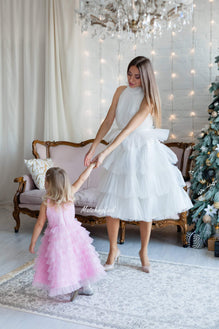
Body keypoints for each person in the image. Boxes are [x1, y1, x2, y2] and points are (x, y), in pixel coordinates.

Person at [84, 56, 193, 273]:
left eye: (137, 76)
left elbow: (128, 130)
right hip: (122, 150)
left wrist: (105, 152)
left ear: (145, 78)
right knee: (112, 202)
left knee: (146, 202)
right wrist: (93, 147)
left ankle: (143, 251)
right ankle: (113, 250)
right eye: (129, 74)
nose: (132, 80)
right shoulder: (119, 91)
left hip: (144, 152)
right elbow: (108, 121)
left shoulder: (149, 99)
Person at [29, 165, 105, 301]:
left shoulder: (46, 203)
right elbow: (82, 179)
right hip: (74, 234)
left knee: (63, 263)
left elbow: (40, 224)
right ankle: (86, 286)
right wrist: (91, 166)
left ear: (47, 184)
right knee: (79, 258)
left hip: (57, 239)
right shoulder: (70, 194)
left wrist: (33, 242)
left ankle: (69, 285)